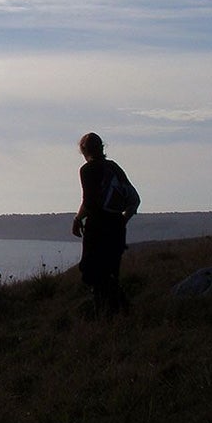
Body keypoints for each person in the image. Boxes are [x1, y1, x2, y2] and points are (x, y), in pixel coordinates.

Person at [71, 132, 140, 318]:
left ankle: (110, 312)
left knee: (91, 271)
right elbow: (134, 200)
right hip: (116, 227)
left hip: (98, 227)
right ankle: (117, 313)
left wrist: (78, 220)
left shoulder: (88, 170)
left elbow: (89, 202)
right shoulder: (114, 168)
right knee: (110, 271)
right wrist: (122, 221)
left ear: (83, 150)